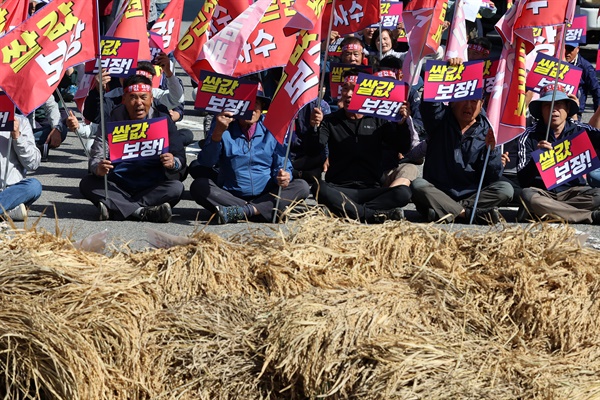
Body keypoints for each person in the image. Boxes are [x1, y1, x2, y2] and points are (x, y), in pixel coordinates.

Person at [411, 59, 513, 224]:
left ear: (482, 104)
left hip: (470, 195)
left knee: (505, 189)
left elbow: (491, 177)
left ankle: (447, 211)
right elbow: (429, 103)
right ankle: (468, 214)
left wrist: (492, 150)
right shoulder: (439, 120)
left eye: (474, 101)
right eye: (463, 99)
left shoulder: (488, 130)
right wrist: (445, 69)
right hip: (438, 191)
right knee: (418, 185)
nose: (468, 106)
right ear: (451, 102)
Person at [308, 72, 417, 223]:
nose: (349, 94)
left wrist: (401, 124)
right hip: (339, 188)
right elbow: (315, 148)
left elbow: (403, 147)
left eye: (354, 89)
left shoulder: (379, 120)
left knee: (403, 193)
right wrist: (314, 128)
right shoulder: (330, 121)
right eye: (345, 88)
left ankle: (346, 210)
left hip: (372, 189)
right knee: (318, 188)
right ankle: (373, 214)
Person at [189, 89, 310, 224]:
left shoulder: (272, 126)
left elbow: (282, 162)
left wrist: (284, 175)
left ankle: (242, 212)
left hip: (266, 193)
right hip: (232, 194)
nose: (252, 108)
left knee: (302, 186)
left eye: (256, 103)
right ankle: (262, 212)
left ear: (262, 107)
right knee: (199, 186)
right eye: (247, 103)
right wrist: (217, 133)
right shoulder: (223, 125)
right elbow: (206, 162)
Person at [79, 75, 186, 222]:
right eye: (133, 97)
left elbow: (180, 157)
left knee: (176, 188)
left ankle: (118, 208)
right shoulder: (111, 122)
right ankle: (142, 211)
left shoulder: (163, 120)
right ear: (124, 99)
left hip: (152, 185)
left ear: (151, 99)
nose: (139, 103)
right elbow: (96, 157)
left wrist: (173, 162)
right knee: (87, 183)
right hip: (117, 185)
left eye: (143, 97)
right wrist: (99, 168)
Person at [517, 83, 600, 224]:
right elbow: (522, 180)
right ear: (540, 111)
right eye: (547, 105)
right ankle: (590, 216)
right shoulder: (529, 135)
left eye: (559, 105)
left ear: (567, 109)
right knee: (527, 196)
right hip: (543, 192)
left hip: (574, 191)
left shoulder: (582, 130)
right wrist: (537, 160)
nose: (554, 110)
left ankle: (545, 213)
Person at [0, 114, 42, 221]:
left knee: (34, 186)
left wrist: (17, 136)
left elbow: (33, 163)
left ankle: (7, 207)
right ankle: (8, 210)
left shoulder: (21, 121)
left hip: (12, 190)